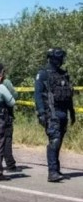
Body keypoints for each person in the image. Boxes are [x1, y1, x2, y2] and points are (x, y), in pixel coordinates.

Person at [34, 48, 76, 182]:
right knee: (54, 140)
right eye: (58, 57)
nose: (60, 60)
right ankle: (52, 172)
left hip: (63, 113)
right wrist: (41, 113)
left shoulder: (64, 74)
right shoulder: (43, 74)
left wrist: (72, 112)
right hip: (51, 113)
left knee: (59, 141)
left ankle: (56, 169)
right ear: (51, 58)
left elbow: (69, 95)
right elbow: (38, 95)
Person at [1, 71, 21, 173]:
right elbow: (14, 95)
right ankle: (10, 165)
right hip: (5, 115)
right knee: (7, 140)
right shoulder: (6, 82)